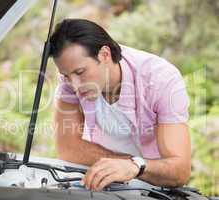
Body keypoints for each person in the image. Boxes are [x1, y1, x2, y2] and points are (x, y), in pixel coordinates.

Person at [49, 19, 191, 191]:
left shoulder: (161, 79)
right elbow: (68, 148)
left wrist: (134, 166)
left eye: (80, 72)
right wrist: (119, 165)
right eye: (66, 76)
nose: (75, 85)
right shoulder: (70, 78)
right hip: (103, 182)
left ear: (105, 55)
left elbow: (180, 170)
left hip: (154, 186)